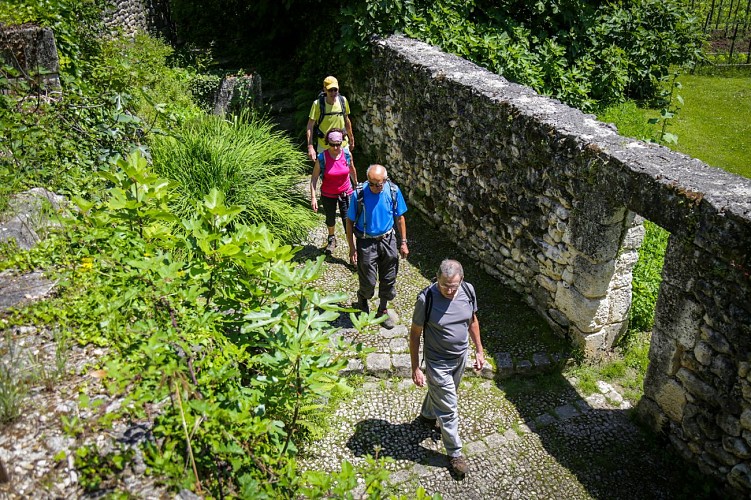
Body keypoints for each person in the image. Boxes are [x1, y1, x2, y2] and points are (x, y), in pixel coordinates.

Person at [409, 259, 485, 476]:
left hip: (460, 357)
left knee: (443, 396)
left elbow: (472, 321)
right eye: (445, 286)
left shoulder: (468, 291)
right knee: (450, 408)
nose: (450, 291)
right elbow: (414, 335)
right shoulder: (426, 299)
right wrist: (416, 367)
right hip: (437, 361)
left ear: (461, 279)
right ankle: (454, 453)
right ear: (437, 278)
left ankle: (427, 415)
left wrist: (479, 350)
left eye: (454, 286)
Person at [345, 164, 408, 329]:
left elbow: (399, 218)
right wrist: (352, 248)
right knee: (368, 280)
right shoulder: (358, 194)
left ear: (385, 181)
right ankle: (363, 300)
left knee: (389, 278)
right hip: (366, 241)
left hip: (388, 240)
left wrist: (403, 242)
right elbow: (349, 221)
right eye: (371, 183)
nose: (374, 187)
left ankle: (383, 309)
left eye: (378, 184)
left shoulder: (393, 191)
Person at [310, 128, 357, 254]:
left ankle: (353, 251)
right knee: (330, 219)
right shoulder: (322, 158)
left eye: (338, 144)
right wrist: (313, 197)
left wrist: (356, 186)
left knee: (348, 221)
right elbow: (314, 178)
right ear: (328, 143)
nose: (336, 147)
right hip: (328, 194)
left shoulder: (347, 155)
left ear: (342, 142)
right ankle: (332, 238)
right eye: (332, 144)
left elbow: (352, 170)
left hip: (346, 193)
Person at [306, 76, 355, 162]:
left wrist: (351, 138)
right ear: (324, 89)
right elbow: (310, 125)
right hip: (324, 145)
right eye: (330, 90)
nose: (333, 93)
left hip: (342, 144)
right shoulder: (317, 104)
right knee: (324, 172)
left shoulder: (343, 101)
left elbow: (347, 120)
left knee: (346, 169)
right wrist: (310, 146)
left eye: (335, 90)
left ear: (338, 89)